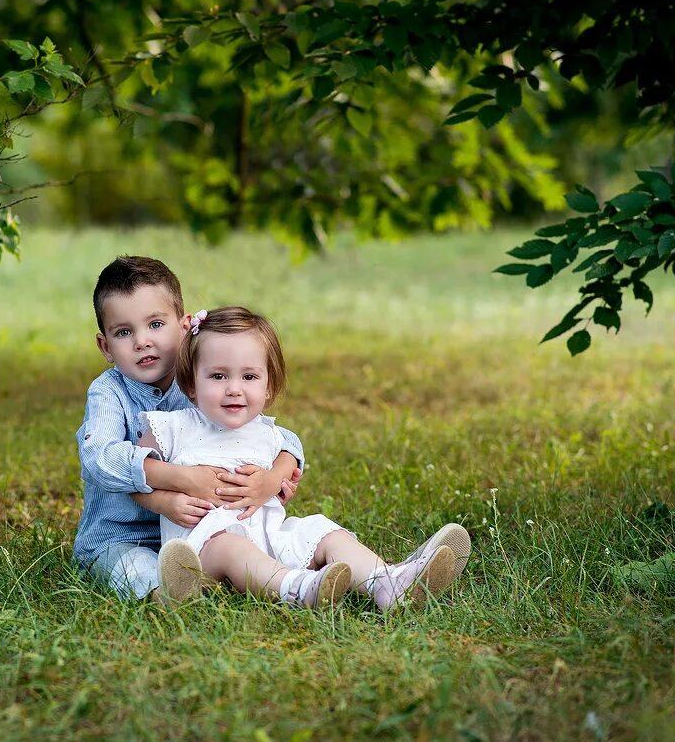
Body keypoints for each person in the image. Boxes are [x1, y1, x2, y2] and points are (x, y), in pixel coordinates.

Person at [137, 306, 472, 612]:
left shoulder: (268, 433)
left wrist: (272, 480)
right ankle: (298, 589)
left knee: (323, 531)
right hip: (205, 550)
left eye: (249, 377)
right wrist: (166, 502)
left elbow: (290, 459)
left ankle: (386, 582)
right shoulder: (172, 427)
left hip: (270, 537)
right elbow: (134, 478)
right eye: (218, 376)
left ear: (268, 387)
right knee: (231, 547)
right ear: (190, 384)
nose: (234, 389)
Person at [72, 257, 306, 605]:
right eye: (124, 332)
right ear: (106, 346)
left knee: (250, 545)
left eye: (155, 324)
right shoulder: (109, 393)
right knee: (137, 567)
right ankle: (167, 594)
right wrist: (182, 480)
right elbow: (100, 457)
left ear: (184, 328)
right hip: (120, 537)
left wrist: (273, 479)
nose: (142, 341)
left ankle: (247, 577)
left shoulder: (204, 385)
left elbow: (281, 438)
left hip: (199, 534)